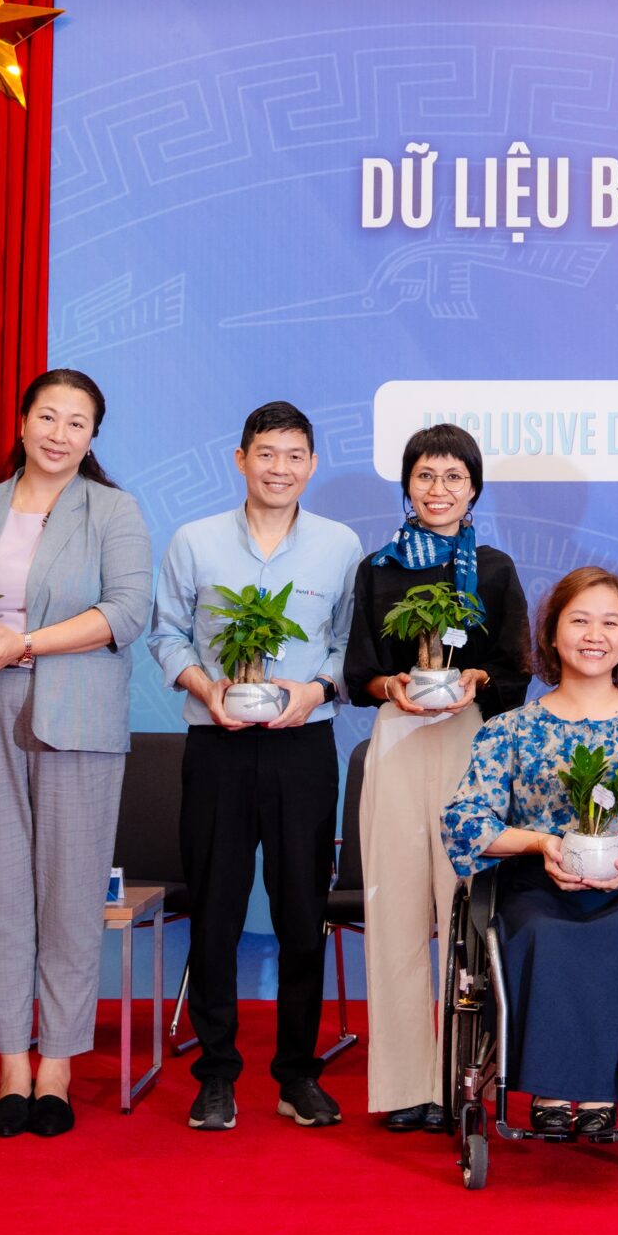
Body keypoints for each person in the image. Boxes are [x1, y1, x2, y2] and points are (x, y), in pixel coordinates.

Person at [0, 369, 154, 1138]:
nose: (60, 433)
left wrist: (22, 643)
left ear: (92, 437)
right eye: (49, 416)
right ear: (22, 421)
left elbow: (126, 612)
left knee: (69, 895)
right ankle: (9, 1065)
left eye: (77, 422)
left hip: (77, 712)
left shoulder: (113, 510)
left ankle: (56, 1064)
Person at [442, 567, 618, 1138]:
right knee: (540, 929)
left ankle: (601, 1091)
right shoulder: (509, 730)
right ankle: (549, 1088)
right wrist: (541, 843)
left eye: (610, 623)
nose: (595, 635)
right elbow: (465, 821)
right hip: (538, 885)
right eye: (580, 621)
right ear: (552, 634)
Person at [146, 400, 363, 1132]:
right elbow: (166, 633)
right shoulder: (195, 540)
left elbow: (348, 644)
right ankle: (215, 1075)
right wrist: (205, 687)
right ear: (240, 459)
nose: (280, 468)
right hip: (219, 745)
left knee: (303, 910)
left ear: (312, 464)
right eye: (266, 454)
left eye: (294, 456)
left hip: (303, 746)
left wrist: (316, 689)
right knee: (216, 910)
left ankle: (297, 1074)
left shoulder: (339, 545)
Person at [343, 424, 532, 1132]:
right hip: (398, 736)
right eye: (426, 475)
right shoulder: (378, 568)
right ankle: (403, 1087)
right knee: (393, 913)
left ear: (473, 488)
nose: (439, 489)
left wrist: (478, 678)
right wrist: (390, 685)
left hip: (469, 741)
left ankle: (465, 1079)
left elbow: (516, 670)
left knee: (469, 912)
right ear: (407, 485)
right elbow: (358, 670)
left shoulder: (494, 570)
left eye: (454, 476)